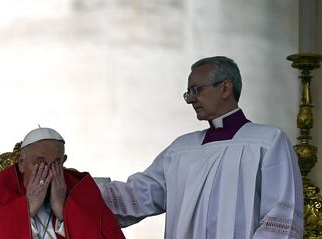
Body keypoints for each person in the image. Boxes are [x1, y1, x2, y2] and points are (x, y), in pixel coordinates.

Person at [97, 56, 303, 238]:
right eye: (188, 93)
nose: (191, 99)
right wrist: (75, 190)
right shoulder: (181, 150)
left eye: (197, 90)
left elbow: (281, 218)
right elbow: (138, 196)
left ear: (225, 88)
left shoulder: (268, 142)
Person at [0, 127, 125, 239]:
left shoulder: (82, 191)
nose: (47, 172)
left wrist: (65, 212)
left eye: (55, 163)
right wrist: (25, 209)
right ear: (22, 162)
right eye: (39, 163)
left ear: (64, 161)